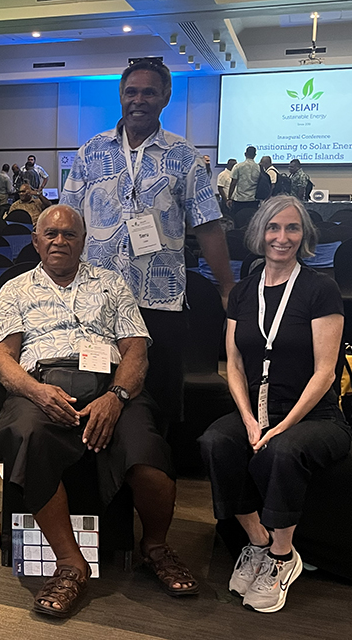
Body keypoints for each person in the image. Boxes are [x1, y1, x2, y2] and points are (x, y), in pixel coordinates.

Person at [0, 205, 197, 619]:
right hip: (42, 387)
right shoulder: (14, 290)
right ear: (36, 241)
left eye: (69, 235)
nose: (59, 241)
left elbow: (135, 349)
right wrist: (36, 391)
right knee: (28, 436)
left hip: (109, 386)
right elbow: (4, 358)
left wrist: (117, 396)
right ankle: (71, 563)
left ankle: (155, 547)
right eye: (50, 234)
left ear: (83, 242)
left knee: (147, 450)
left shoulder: (112, 284)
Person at [60, 59, 234, 425]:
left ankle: (155, 466)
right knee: (95, 388)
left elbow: (207, 226)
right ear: (121, 96)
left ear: (165, 97)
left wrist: (227, 287)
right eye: (131, 92)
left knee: (160, 397)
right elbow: (69, 219)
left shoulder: (184, 155)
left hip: (159, 299)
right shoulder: (92, 151)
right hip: (97, 297)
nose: (139, 100)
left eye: (149, 92)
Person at [199, 195, 349, 614]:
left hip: (315, 416)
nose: (282, 237)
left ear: (304, 236)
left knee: (281, 449)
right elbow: (234, 362)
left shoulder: (321, 289)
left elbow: (325, 372)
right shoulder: (244, 291)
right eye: (273, 228)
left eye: (292, 229)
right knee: (216, 441)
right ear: (259, 233)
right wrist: (248, 418)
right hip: (258, 411)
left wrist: (283, 426)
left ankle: (284, 557)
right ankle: (259, 542)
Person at [230, 146, 261, 220]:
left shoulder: (238, 166)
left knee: (238, 220)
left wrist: (229, 197)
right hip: (253, 200)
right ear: (255, 155)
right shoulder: (259, 167)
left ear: (245, 154)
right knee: (252, 221)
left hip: (239, 200)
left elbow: (233, 183)